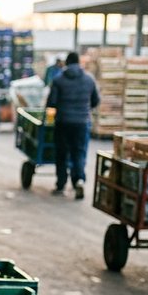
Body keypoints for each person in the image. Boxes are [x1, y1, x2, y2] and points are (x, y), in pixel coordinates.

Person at [46, 52, 100, 199]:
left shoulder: (58, 80)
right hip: (82, 123)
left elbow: (52, 102)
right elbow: (95, 101)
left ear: (67, 63)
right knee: (79, 152)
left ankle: (61, 184)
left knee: (62, 153)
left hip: (63, 122)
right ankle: (79, 180)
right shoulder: (89, 80)